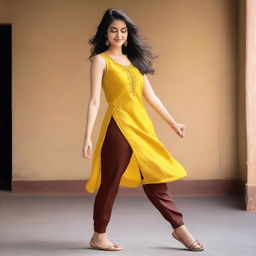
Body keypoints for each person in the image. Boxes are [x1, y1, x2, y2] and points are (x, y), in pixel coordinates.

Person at [82, 8, 204, 252]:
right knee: (110, 182)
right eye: (114, 29)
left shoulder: (134, 62)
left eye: (123, 30)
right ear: (106, 33)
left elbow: (153, 98)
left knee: (155, 179)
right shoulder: (101, 60)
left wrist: (173, 123)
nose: (119, 34)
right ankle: (98, 235)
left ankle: (179, 229)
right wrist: (87, 136)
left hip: (141, 127)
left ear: (128, 34)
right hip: (118, 125)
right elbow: (95, 100)